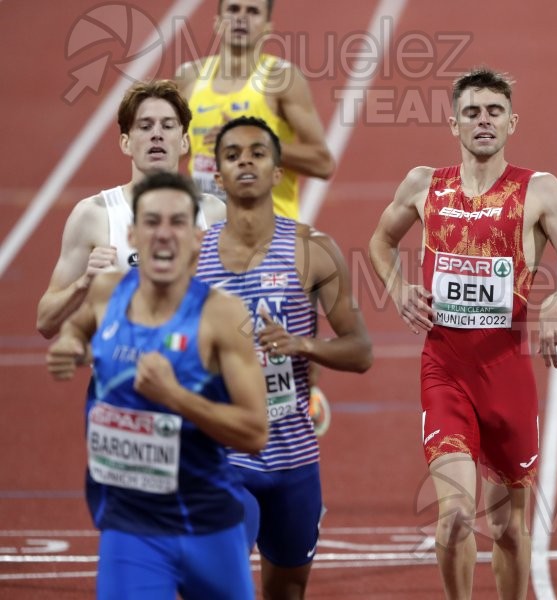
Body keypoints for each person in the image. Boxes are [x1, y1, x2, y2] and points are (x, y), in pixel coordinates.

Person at [368, 67, 557, 600]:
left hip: (507, 376)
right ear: (454, 123)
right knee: (452, 518)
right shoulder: (425, 185)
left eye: (494, 111)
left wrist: (556, 305)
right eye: (471, 112)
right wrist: (400, 288)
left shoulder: (539, 191)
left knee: (508, 531)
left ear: (512, 122)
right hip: (444, 370)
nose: (483, 121)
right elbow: (381, 242)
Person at [46, 172, 268, 599]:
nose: (163, 234)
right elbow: (76, 323)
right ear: (133, 233)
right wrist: (72, 343)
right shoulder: (106, 292)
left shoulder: (222, 317)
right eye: (151, 222)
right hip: (132, 527)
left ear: (198, 238)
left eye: (177, 222)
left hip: (208, 525)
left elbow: (255, 432)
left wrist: (176, 397)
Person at [195, 116, 371, 599]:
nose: (245, 161)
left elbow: (360, 351)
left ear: (278, 172)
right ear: (217, 174)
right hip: (223, 457)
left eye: (257, 153)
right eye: (232, 155)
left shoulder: (313, 250)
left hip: (294, 460)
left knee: (288, 593)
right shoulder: (193, 257)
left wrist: (304, 345)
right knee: (215, 586)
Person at [37, 80, 226, 339]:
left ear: (184, 143)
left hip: (191, 375)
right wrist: (83, 285)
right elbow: (45, 322)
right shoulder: (94, 215)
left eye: (168, 126)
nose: (156, 134)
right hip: (119, 377)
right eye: (145, 126)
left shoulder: (214, 213)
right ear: (125, 143)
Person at [175, 0, 334, 221]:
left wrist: (256, 142)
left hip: (271, 234)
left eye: (252, 11)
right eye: (233, 9)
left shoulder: (282, 80)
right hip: (209, 235)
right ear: (218, 22)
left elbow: (323, 163)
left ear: (268, 26)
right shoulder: (188, 78)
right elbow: (174, 150)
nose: (241, 17)